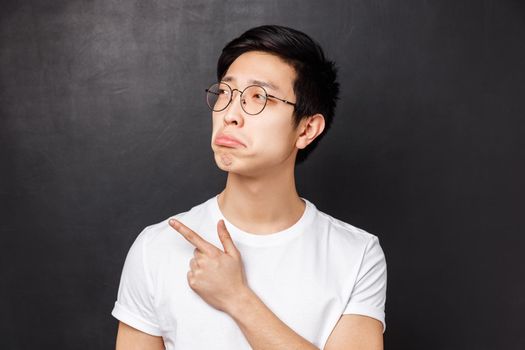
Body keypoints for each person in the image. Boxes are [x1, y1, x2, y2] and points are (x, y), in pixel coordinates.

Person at [111, 25, 387, 350]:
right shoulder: (156, 247)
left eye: (259, 97)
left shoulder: (356, 253)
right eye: (225, 93)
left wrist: (237, 298)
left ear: (307, 128)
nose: (230, 114)